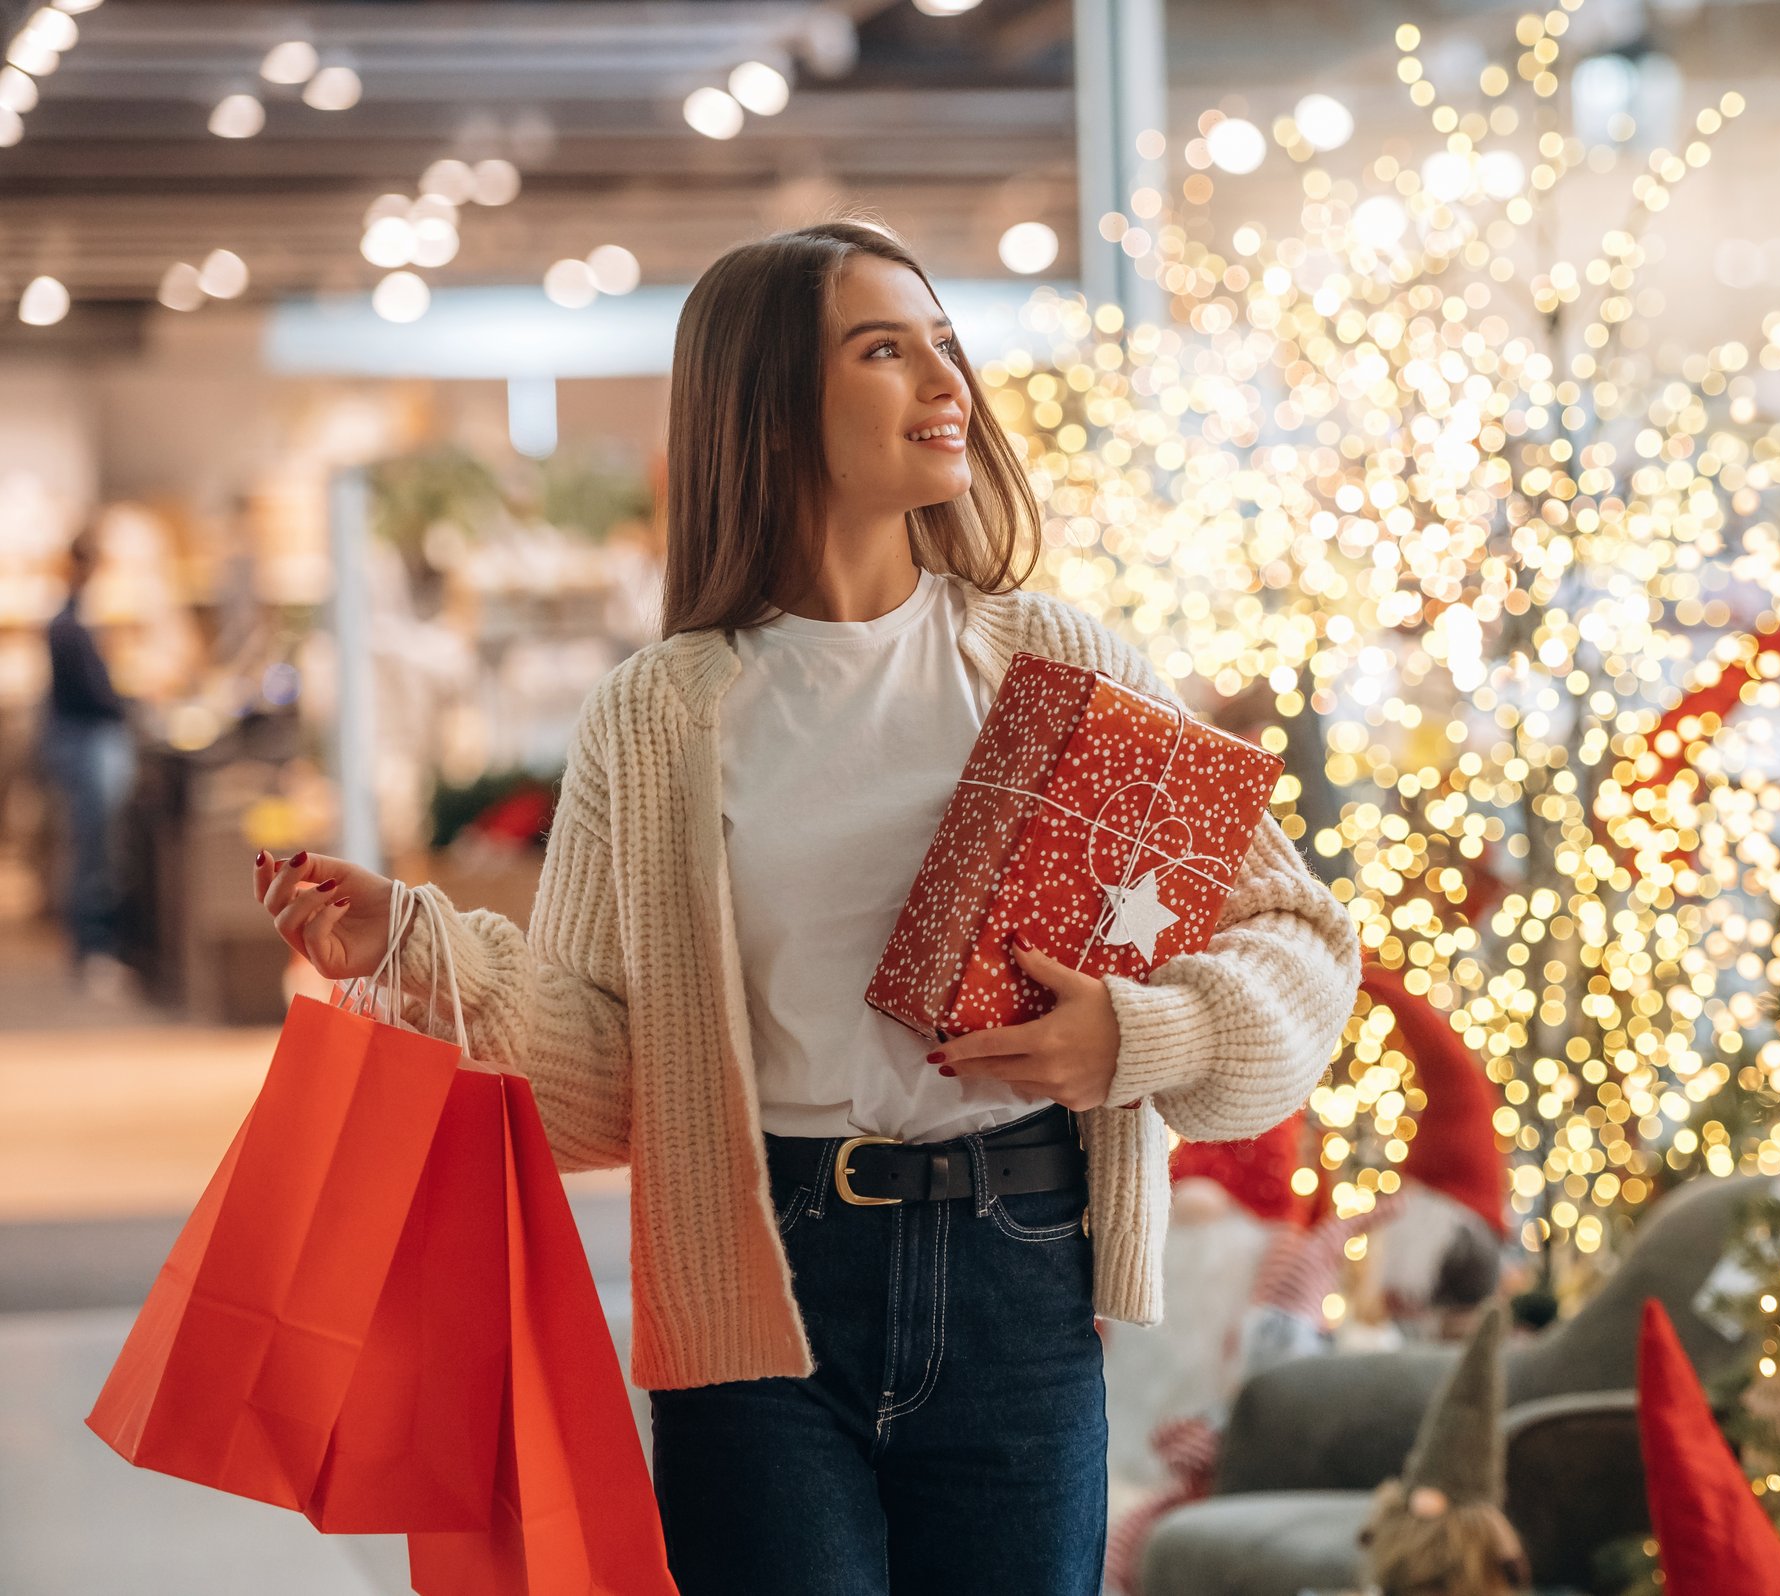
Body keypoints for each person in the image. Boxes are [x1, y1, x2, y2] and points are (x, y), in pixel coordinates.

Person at [251, 220, 1363, 1596]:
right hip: (755, 1285)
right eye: (884, 349)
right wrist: (419, 950)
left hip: (1018, 1270)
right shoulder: (660, 717)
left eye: (943, 342)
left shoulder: (1056, 663)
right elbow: (610, 1080)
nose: (946, 380)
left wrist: (1135, 1040)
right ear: (769, 404)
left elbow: (1300, 938)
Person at [42, 526, 138, 1001]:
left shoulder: (75, 621)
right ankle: (93, 949)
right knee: (95, 851)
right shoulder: (71, 626)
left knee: (92, 850)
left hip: (84, 743)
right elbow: (98, 694)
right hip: (88, 745)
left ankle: (93, 947)